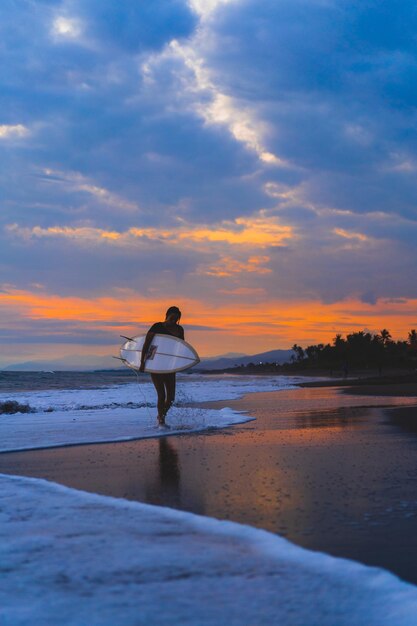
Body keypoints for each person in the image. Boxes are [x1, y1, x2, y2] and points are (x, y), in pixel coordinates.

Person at [139, 306, 184, 428]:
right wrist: (142, 362)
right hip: (156, 364)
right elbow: (147, 344)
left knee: (171, 398)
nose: (173, 321)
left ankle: (161, 416)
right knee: (161, 395)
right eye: (171, 318)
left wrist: (181, 363)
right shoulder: (157, 326)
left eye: (176, 319)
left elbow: (181, 348)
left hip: (170, 366)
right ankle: (161, 421)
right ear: (167, 315)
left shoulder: (179, 329)